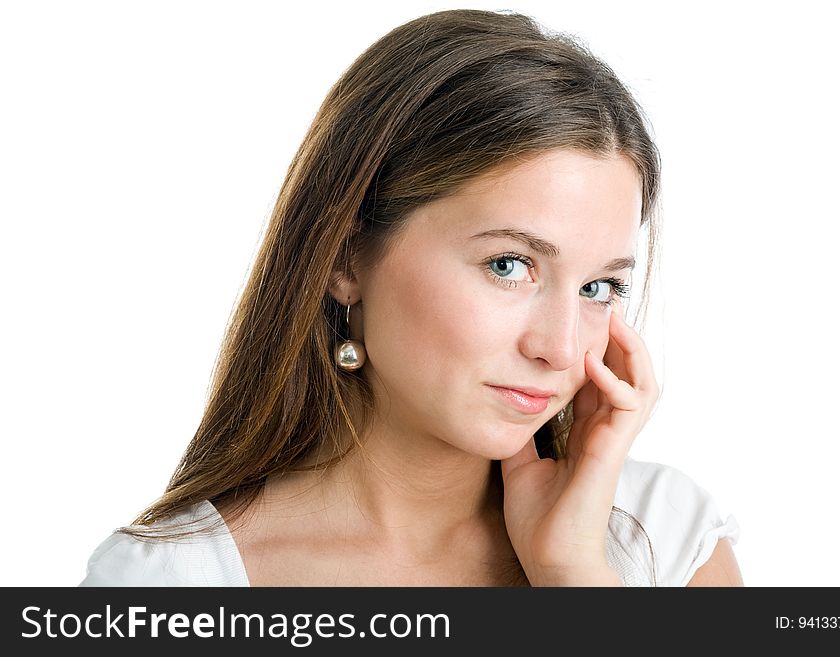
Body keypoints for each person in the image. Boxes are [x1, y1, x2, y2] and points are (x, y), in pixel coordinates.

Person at [80, 8, 742, 587]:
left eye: (600, 287)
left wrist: (573, 573)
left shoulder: (664, 542)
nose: (560, 347)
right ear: (345, 257)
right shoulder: (171, 585)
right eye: (510, 264)